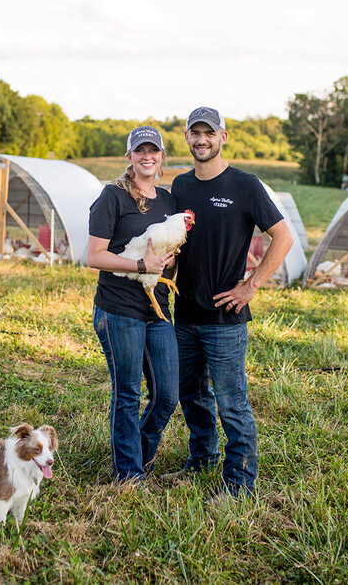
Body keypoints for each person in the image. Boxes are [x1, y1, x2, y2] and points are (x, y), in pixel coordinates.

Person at [165, 106, 294, 498]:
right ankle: (201, 459)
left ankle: (240, 482)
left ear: (223, 137)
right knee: (191, 394)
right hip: (185, 314)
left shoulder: (245, 185)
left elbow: (283, 237)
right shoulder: (180, 186)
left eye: (210, 133)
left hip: (225, 317)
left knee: (231, 401)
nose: (202, 140)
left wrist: (250, 285)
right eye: (195, 133)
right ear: (187, 138)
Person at [88, 126, 181, 484]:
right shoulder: (112, 196)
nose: (147, 156)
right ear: (129, 157)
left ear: (161, 157)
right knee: (127, 393)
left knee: (167, 395)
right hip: (119, 308)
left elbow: (166, 254)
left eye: (153, 150)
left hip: (157, 309)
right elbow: (95, 256)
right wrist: (142, 265)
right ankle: (129, 475)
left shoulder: (167, 201)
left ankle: (137, 453)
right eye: (140, 150)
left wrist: (169, 259)